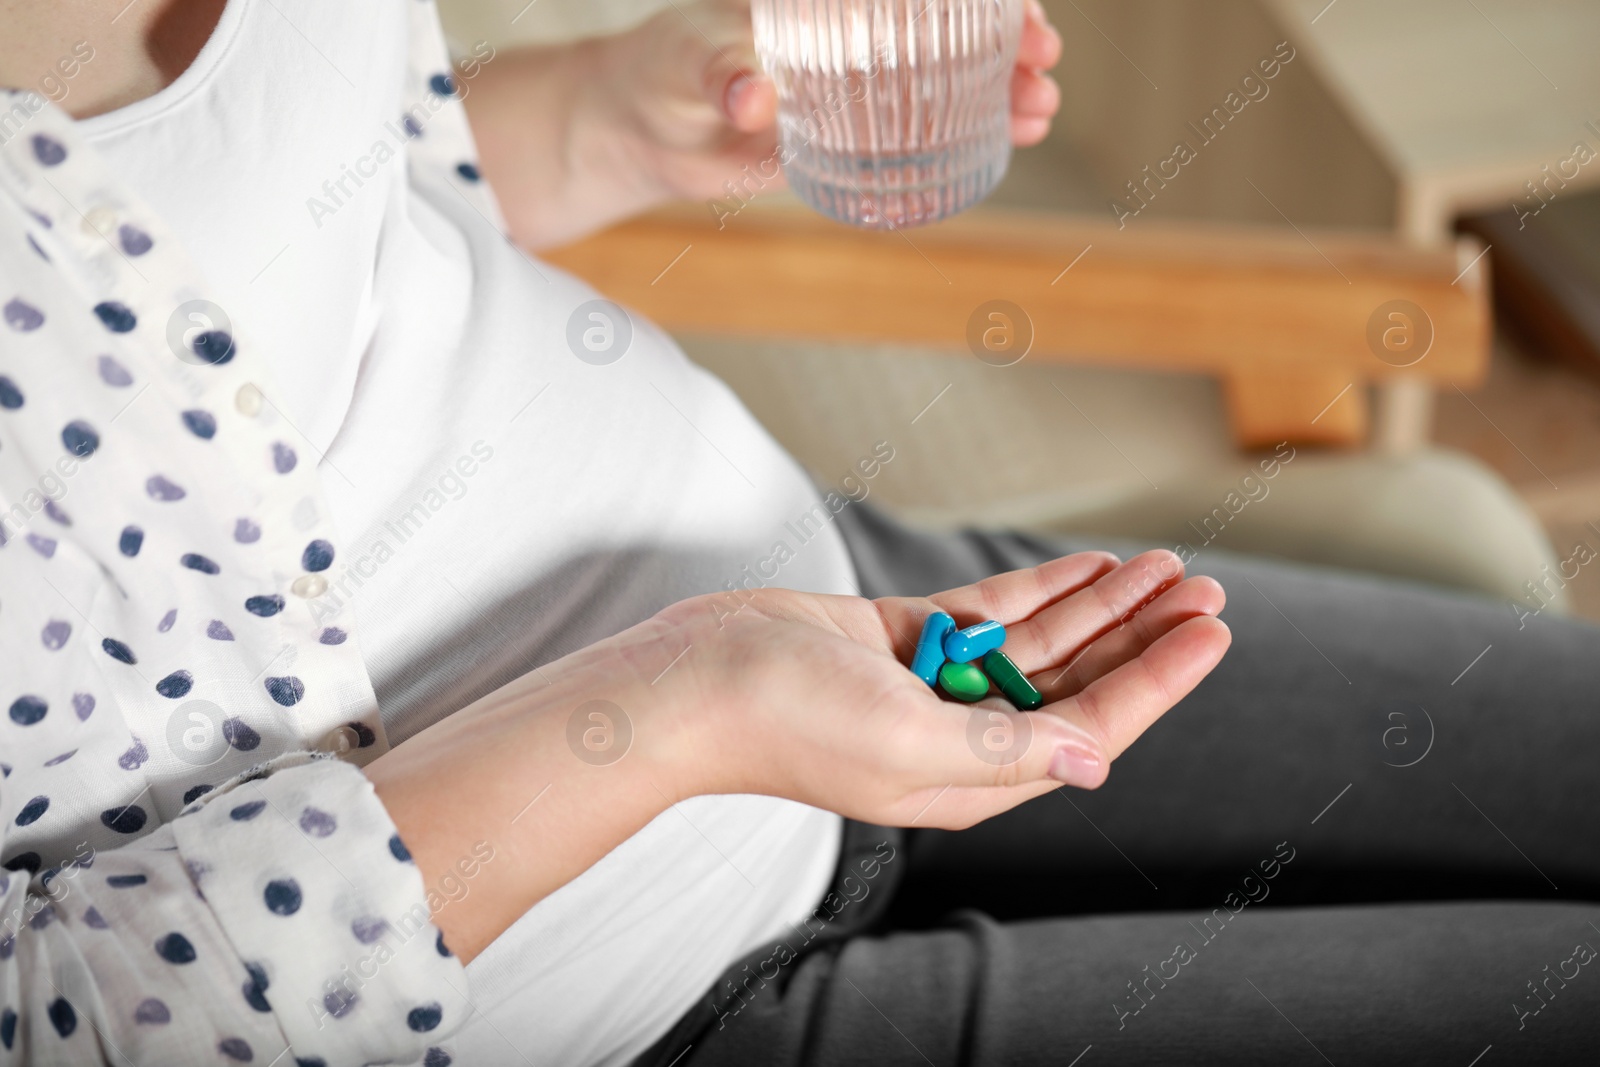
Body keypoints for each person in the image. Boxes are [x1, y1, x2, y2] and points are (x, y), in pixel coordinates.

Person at [0, 1, 1594, 1064]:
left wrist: (598, 120)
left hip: (860, 591)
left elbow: (309, 207)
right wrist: (686, 708)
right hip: (644, 1000)